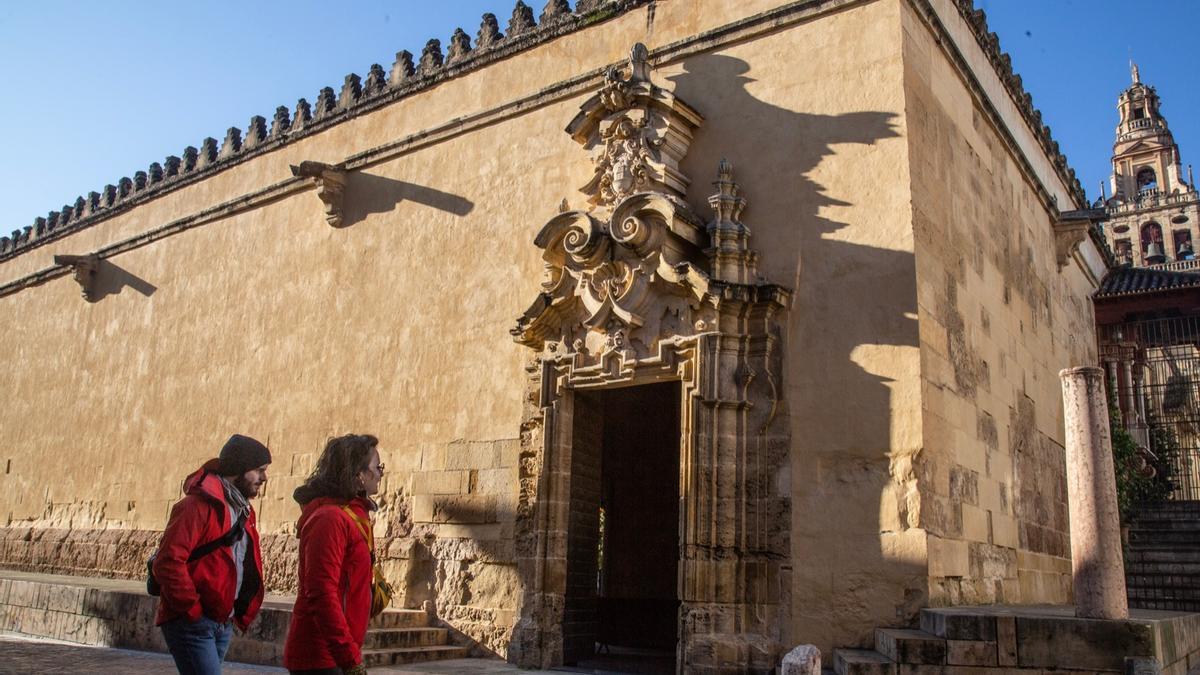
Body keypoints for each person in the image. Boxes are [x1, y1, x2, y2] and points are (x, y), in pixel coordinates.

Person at [153, 434, 271, 675]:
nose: (264, 478)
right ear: (239, 468)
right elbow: (168, 561)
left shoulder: (242, 511)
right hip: (193, 621)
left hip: (221, 622)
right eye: (258, 470)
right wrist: (192, 610)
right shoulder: (195, 507)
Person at [284, 434, 385, 675]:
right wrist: (349, 658)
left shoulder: (353, 516)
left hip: (337, 653)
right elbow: (321, 592)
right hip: (321, 657)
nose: (381, 474)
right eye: (377, 467)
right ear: (359, 475)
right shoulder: (329, 519)